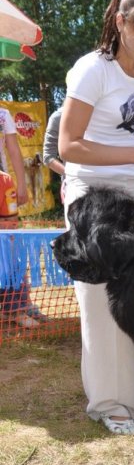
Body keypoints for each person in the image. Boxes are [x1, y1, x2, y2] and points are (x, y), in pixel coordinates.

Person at [58, 0, 134, 436]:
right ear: (121, 23)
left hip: (133, 194)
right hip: (92, 198)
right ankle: (113, 403)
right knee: (102, 304)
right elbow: (68, 146)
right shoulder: (92, 70)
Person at [0, 107, 40, 328]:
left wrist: (22, 184)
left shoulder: (3, 114)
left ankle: (15, 306)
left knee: (10, 245)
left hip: (2, 185)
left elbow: (14, 150)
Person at [42, 106, 66, 202]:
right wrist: (71, 174)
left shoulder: (103, 114)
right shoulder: (58, 117)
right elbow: (48, 157)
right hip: (75, 186)